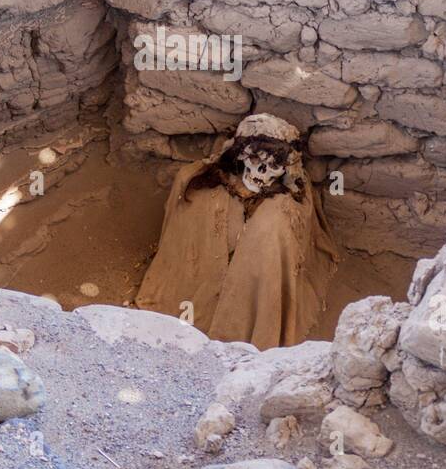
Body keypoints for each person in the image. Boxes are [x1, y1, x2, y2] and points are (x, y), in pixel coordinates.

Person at [135, 114, 340, 349]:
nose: (261, 171)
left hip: (267, 227)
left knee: (268, 231)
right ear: (241, 156)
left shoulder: (285, 212)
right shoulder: (204, 186)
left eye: (273, 166)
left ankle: (247, 320)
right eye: (254, 159)